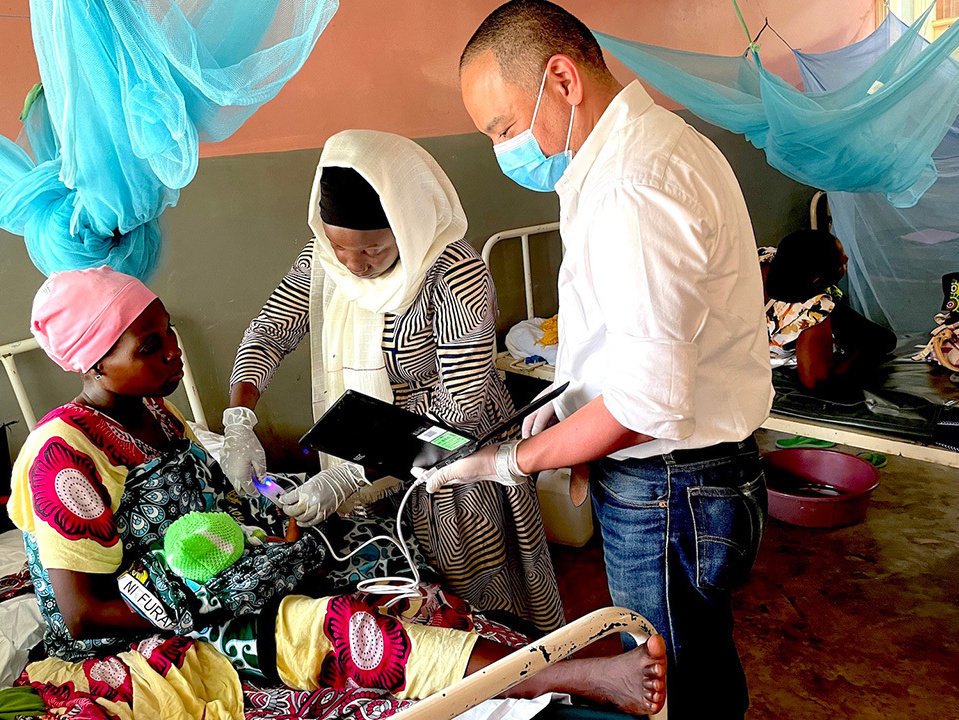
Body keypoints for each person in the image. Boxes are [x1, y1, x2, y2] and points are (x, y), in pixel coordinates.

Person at [8, 266, 667, 718]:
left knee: (371, 553)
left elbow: (214, 509)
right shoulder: (60, 457)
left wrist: (270, 504)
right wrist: (214, 604)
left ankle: (507, 656)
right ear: (93, 361)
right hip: (141, 629)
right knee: (326, 626)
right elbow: (81, 614)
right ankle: (570, 677)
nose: (173, 354)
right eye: (150, 347)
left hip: (215, 575)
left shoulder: (153, 410)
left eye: (169, 334)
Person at [420, 2, 775, 718]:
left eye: (504, 128)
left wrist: (513, 462)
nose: (504, 149)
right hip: (680, 478)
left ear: (562, 79)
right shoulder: (639, 152)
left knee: (672, 682)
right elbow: (631, 337)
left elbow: (646, 402)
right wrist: (567, 399)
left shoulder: (632, 183)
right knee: (697, 659)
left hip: (669, 484)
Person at [223, 129, 564, 632]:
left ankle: (517, 667)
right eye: (338, 246)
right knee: (400, 604)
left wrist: (350, 475)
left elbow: (459, 409)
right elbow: (270, 331)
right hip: (367, 446)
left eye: (373, 249)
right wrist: (239, 418)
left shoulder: (453, 273)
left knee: (470, 602)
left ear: (407, 225)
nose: (352, 264)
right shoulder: (323, 261)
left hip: (452, 462)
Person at [761, 229, 897, 393]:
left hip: (790, 306)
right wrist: (856, 358)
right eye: (842, 263)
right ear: (818, 281)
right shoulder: (814, 311)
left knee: (878, 338)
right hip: (804, 314)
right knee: (882, 341)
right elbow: (815, 382)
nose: (847, 259)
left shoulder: (763, 259)